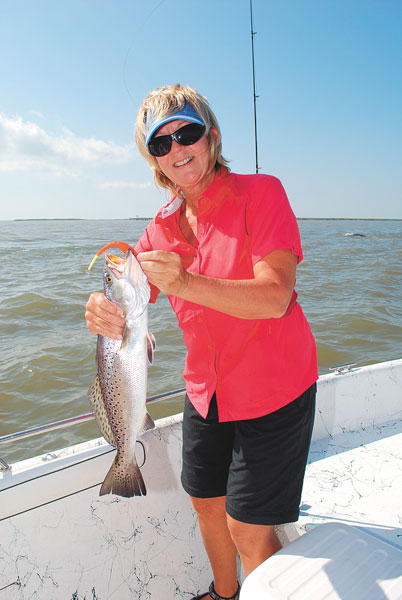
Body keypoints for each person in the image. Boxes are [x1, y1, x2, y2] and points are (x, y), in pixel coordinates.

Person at [85, 83, 318, 600]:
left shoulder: (262, 194)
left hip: (274, 391)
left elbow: (276, 296)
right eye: (161, 143)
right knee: (207, 505)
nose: (177, 149)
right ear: (154, 160)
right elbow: (128, 297)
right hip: (206, 393)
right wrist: (102, 310)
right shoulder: (157, 231)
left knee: (247, 530)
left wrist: (186, 283)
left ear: (211, 136)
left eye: (187, 133)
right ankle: (224, 593)